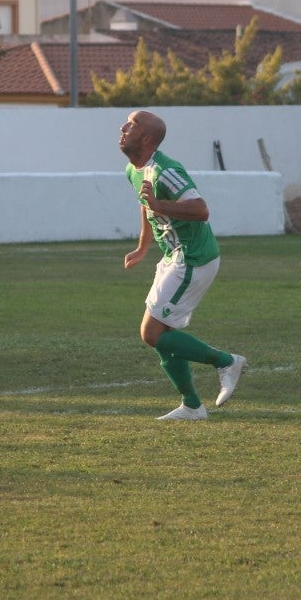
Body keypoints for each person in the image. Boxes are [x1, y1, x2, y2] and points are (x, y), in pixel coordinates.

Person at [119, 110, 247, 420]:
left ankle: (226, 361)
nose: (123, 128)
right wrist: (143, 246)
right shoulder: (133, 169)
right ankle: (191, 405)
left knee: (151, 333)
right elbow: (146, 206)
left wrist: (159, 205)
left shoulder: (166, 170)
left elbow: (201, 210)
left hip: (193, 257)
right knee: (162, 333)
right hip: (173, 257)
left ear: (147, 139)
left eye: (132, 125)